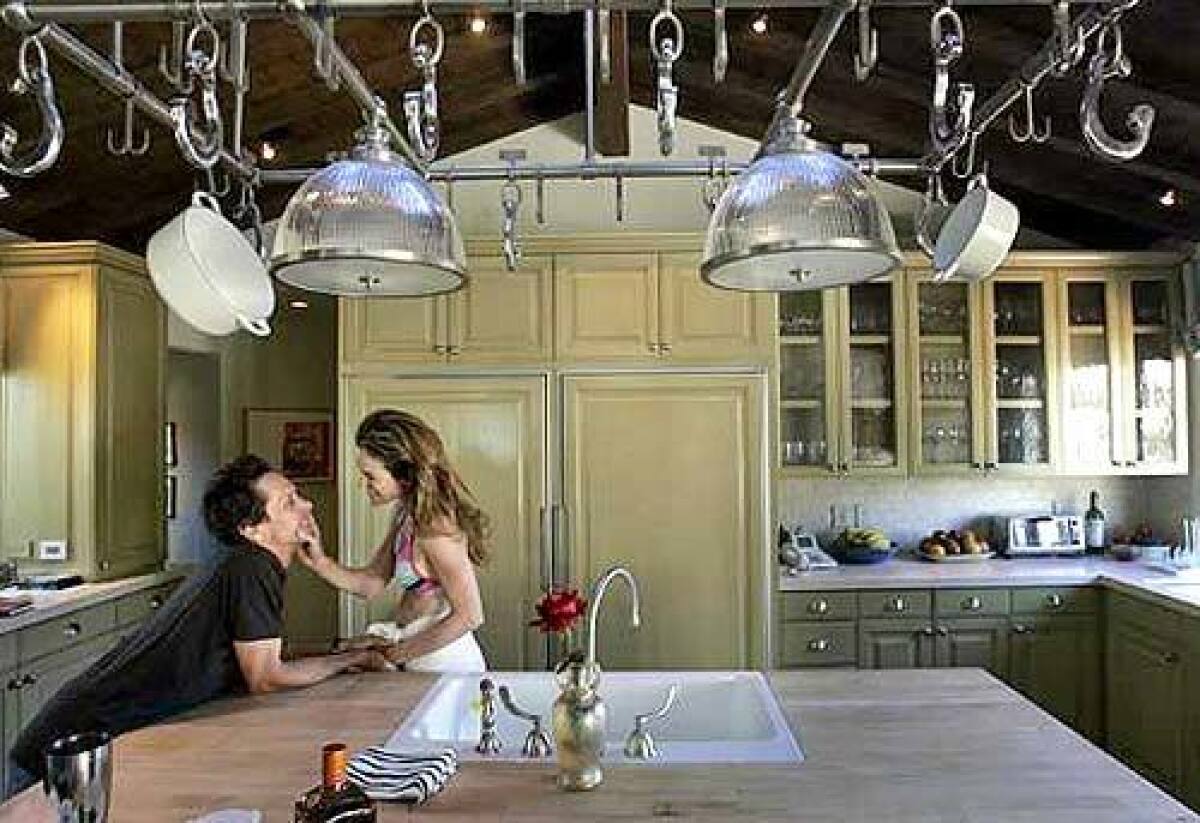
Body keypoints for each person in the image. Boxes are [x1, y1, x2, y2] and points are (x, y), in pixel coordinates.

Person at [9, 455, 390, 784]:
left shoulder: (246, 563)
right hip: (65, 749)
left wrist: (339, 649)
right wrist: (351, 660)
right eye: (289, 502)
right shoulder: (252, 566)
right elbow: (266, 676)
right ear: (251, 529)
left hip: (74, 738)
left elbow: (263, 654)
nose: (307, 505)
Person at [298, 409, 489, 672]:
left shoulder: (435, 527)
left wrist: (391, 657)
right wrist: (319, 561)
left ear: (404, 475)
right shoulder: (406, 516)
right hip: (416, 654)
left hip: (445, 663)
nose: (365, 485)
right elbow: (371, 583)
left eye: (370, 476)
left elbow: (470, 616)